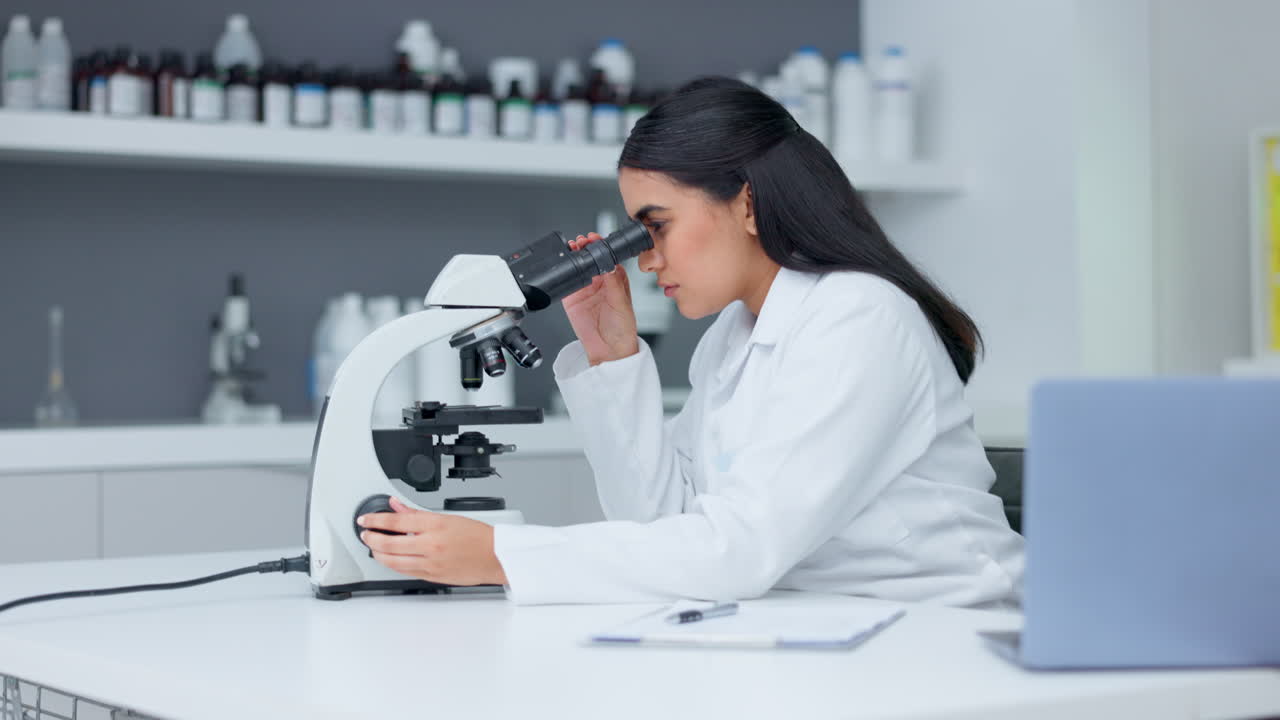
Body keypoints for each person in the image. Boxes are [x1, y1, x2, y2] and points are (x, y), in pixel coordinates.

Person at [358, 76, 1024, 607]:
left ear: (747, 203)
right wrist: (612, 355)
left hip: (946, 634)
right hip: (823, 627)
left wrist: (502, 556)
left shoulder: (859, 317)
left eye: (657, 226)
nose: (646, 260)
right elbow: (662, 529)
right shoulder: (733, 337)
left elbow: (739, 549)